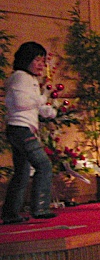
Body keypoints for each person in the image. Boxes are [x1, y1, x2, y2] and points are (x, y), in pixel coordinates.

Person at [2, 42, 57, 223]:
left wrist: (48, 108)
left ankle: (10, 214)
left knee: (22, 172)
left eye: (43, 61)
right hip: (21, 129)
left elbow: (32, 105)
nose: (41, 64)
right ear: (26, 60)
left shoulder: (28, 78)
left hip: (19, 128)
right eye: (37, 60)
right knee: (43, 165)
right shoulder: (21, 77)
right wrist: (43, 97)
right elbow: (22, 102)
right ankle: (40, 208)